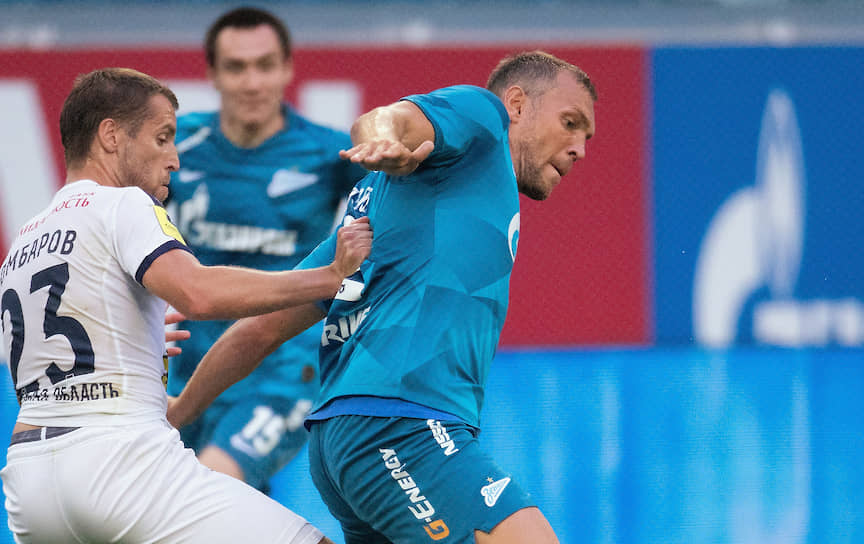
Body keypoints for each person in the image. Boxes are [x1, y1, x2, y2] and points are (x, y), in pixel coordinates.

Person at [169, 51, 597, 543]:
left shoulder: (372, 215)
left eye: (587, 137)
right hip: (400, 426)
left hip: (344, 440)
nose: (579, 149)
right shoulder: (486, 115)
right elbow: (386, 119)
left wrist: (180, 410)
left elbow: (261, 328)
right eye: (570, 123)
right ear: (517, 104)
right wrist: (385, 138)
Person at [0, 68, 371, 543]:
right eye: (162, 138)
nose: (174, 159)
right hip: (116, 459)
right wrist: (330, 276)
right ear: (111, 136)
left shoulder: (25, 241)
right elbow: (198, 293)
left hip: (30, 482)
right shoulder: (123, 204)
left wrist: (138, 339)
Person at [164, 6, 366, 492]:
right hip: (183, 370)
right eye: (236, 67)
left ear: (287, 68)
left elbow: (406, 205)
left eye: (265, 65)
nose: (252, 83)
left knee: (209, 486)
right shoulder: (173, 144)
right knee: (179, 507)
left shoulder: (330, 153)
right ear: (213, 74)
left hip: (281, 369)